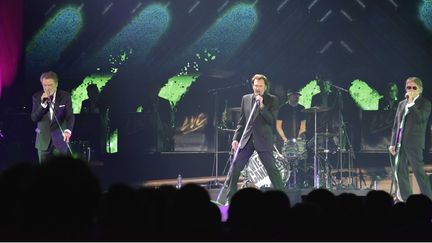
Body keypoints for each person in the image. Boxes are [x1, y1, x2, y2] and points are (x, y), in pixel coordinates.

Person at [226, 74, 284, 202]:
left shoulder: (272, 100)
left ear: (266, 86)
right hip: (247, 140)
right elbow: (241, 122)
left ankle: (282, 198)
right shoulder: (245, 99)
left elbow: (271, 121)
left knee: (272, 169)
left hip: (263, 140)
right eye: (256, 86)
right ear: (253, 86)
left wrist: (262, 106)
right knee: (235, 167)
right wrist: (236, 138)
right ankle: (230, 200)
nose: (258, 88)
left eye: (261, 86)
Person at [389, 77, 432, 201]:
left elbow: (421, 119)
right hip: (400, 143)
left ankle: (428, 198)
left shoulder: (425, 103)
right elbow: (396, 125)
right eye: (409, 87)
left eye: (414, 88)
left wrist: (412, 103)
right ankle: (406, 199)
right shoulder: (401, 104)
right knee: (400, 171)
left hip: (414, 144)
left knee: (419, 172)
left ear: (420, 90)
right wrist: (392, 143)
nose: (411, 90)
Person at [31, 71, 74, 163]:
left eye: (50, 85)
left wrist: (68, 130)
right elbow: (34, 118)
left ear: (56, 84)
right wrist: (43, 104)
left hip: (60, 139)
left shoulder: (65, 96)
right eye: (45, 85)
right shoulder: (37, 97)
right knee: (44, 172)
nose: (47, 88)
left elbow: (69, 116)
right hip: (43, 140)